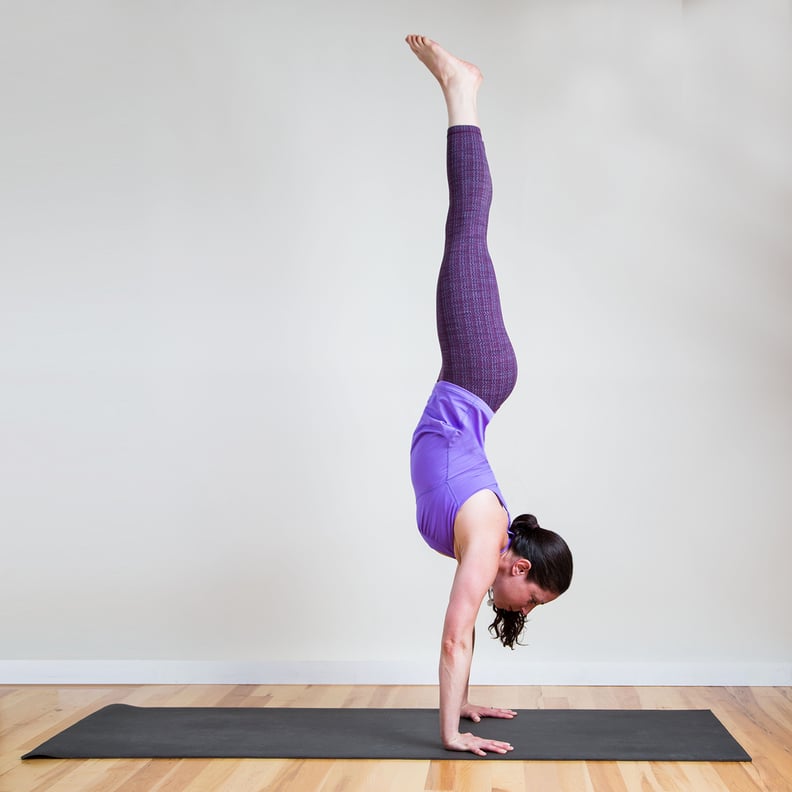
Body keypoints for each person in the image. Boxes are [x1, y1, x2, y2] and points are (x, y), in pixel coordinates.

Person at [406, 35, 574, 757]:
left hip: (477, 374)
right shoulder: (485, 538)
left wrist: (463, 699)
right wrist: (449, 737)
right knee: (466, 225)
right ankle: (462, 89)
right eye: (532, 599)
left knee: (463, 229)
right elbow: (452, 631)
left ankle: (461, 91)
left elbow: (464, 626)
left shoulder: (486, 543)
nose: (524, 610)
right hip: (476, 368)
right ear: (519, 568)